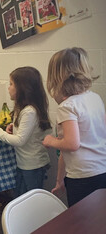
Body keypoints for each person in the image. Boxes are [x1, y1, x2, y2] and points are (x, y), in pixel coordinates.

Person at [43, 47, 106, 206]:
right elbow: (67, 149)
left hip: (83, 177)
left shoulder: (67, 106)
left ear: (56, 78)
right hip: (101, 170)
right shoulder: (94, 98)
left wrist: (51, 141)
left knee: (81, 223)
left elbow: (71, 144)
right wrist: (60, 180)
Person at [0, 67, 51, 197]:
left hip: (33, 166)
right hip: (24, 164)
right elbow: (28, 130)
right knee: (20, 197)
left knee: (31, 202)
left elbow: (19, 140)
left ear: (22, 88)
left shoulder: (29, 111)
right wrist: (15, 126)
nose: (9, 88)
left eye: (11, 84)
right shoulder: (23, 109)